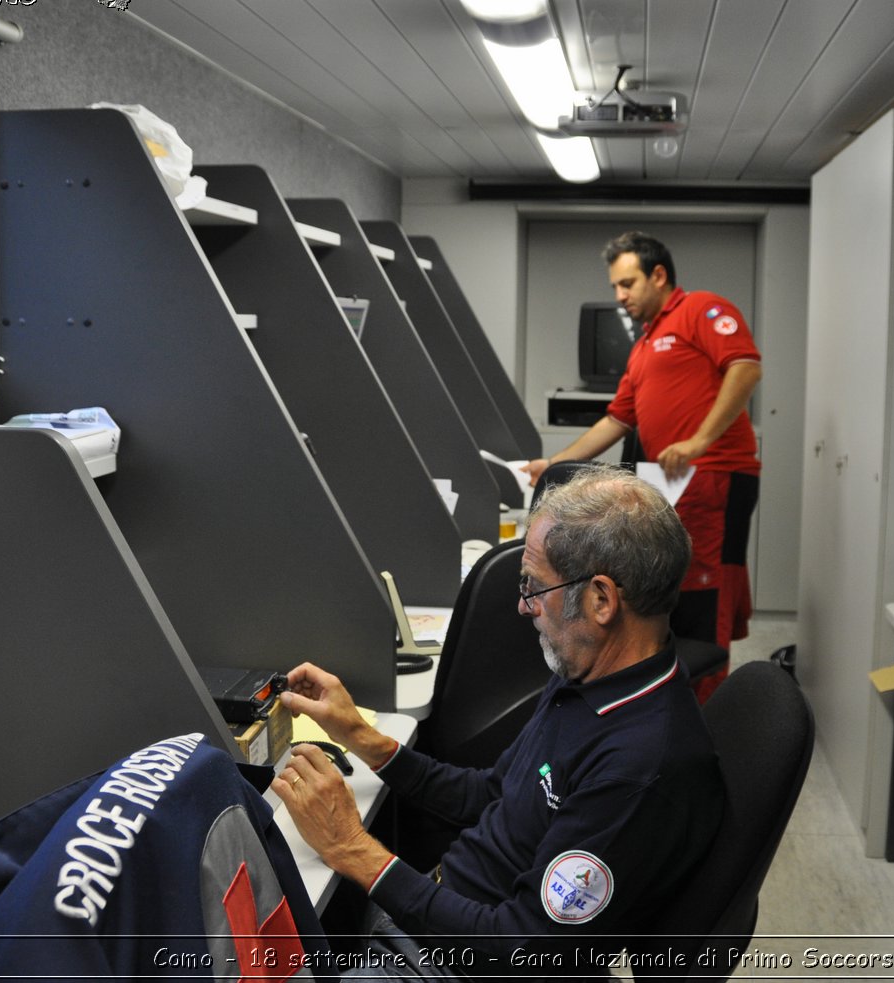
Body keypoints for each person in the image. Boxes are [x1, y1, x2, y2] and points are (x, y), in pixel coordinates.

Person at [271, 466, 724, 979]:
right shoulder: (589, 675)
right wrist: (361, 737)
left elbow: (521, 946)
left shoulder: (640, 767)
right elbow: (493, 795)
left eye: (536, 586)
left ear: (600, 600)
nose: (523, 605)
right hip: (433, 913)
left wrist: (351, 848)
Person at [524, 232, 762, 694]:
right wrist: (553, 463)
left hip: (715, 477)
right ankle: (672, 696)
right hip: (675, 484)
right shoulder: (645, 344)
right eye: (615, 286)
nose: (620, 296)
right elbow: (616, 419)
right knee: (676, 587)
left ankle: (710, 710)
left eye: (628, 283)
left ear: (659, 275)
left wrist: (698, 441)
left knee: (708, 594)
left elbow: (746, 367)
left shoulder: (701, 310)